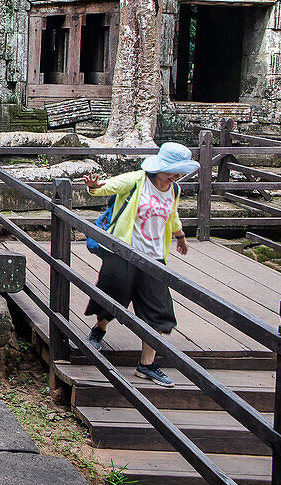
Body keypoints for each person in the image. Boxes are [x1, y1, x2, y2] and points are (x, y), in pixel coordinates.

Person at [81, 142, 198, 387]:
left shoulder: (174, 189)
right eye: (172, 171)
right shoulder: (136, 180)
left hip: (154, 257)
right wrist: (94, 187)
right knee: (113, 296)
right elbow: (106, 187)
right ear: (159, 167)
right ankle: (99, 328)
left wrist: (180, 237)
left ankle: (146, 365)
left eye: (179, 172)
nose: (175, 176)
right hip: (124, 251)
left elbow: (172, 214)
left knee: (159, 311)